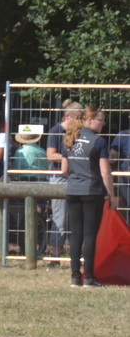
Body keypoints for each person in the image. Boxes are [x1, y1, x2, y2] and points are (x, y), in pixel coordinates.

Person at [59, 107, 113, 287]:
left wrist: (76, 179)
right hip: (92, 192)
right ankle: (89, 278)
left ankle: (75, 277)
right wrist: (111, 195)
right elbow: (105, 173)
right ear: (89, 120)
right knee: (90, 236)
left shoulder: (69, 138)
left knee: (75, 236)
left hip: (73, 191)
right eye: (101, 119)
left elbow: (64, 170)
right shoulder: (98, 142)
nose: (103, 123)